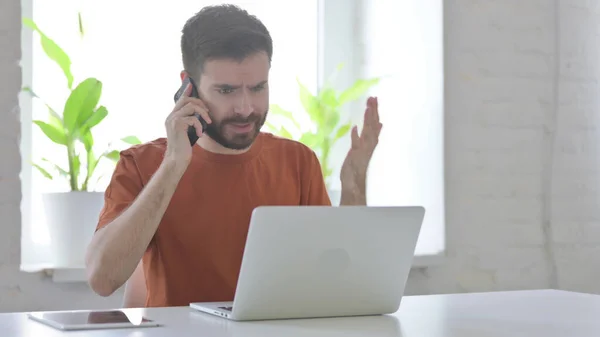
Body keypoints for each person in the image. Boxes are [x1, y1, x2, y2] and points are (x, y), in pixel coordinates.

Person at [84, 4, 382, 308]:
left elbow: (340, 282)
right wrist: (173, 164)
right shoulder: (141, 164)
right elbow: (103, 280)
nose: (245, 108)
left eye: (257, 88)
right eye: (226, 91)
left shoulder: (297, 162)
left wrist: (354, 183)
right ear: (189, 86)